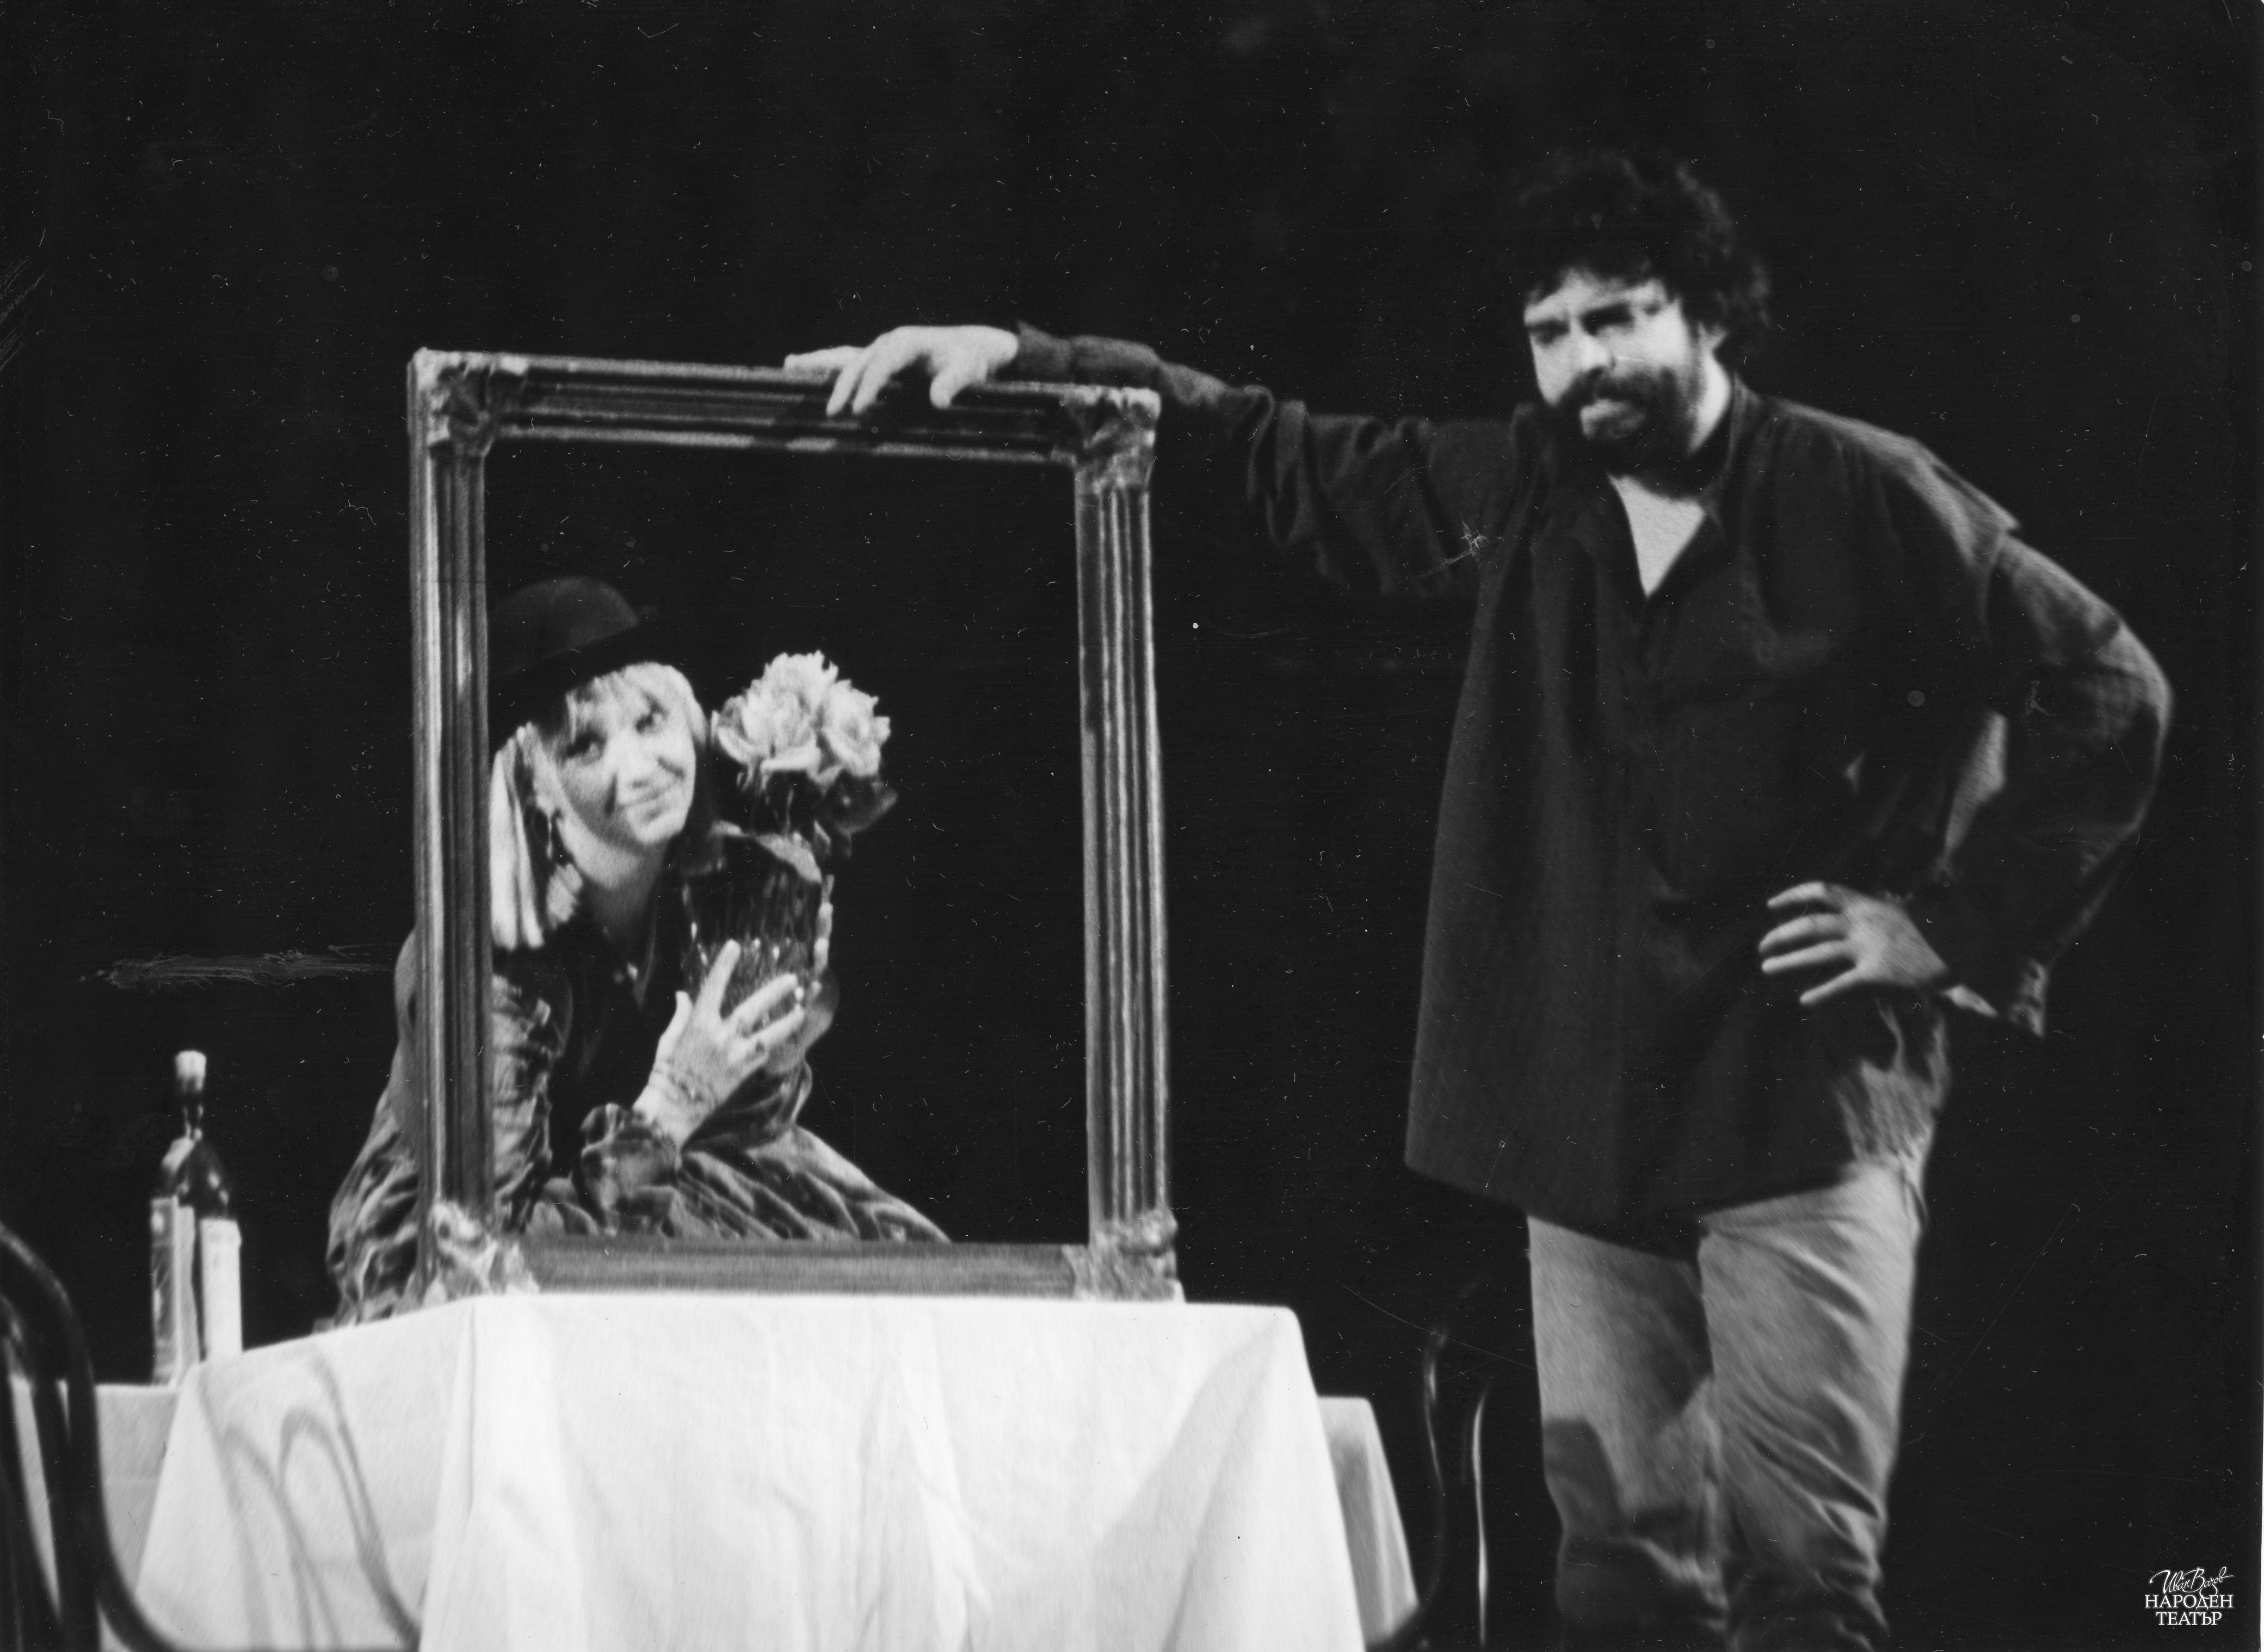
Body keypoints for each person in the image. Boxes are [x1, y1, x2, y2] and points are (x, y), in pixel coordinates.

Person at [787, 150, 2172, 1650]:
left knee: (1802, 1580)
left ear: (1708, 316)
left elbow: (2107, 687)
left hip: (1792, 1111)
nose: (1582, 362)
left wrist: (1946, 929)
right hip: (1592, 1134)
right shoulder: (1530, 488)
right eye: (1549, 332)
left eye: (1617, 318)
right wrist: (1023, 357)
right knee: (1620, 1575)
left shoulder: (1858, 489)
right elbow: (1274, 452)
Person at [327, 576, 944, 1326]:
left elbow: (744, 1132)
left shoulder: (723, 883)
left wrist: (775, 1048)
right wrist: (672, 1105)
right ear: (536, 787)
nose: (641, 767)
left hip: (657, 1185)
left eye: (650, 721)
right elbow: (491, 1255)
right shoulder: (486, 963)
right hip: (470, 1247)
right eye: (586, 746)